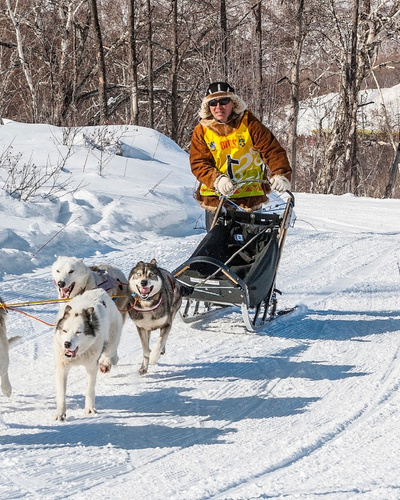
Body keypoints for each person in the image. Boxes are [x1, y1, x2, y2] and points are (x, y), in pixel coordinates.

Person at [190, 81, 292, 230]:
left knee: (252, 247)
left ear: (233, 103)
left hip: (248, 198)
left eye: (224, 101)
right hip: (216, 199)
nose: (219, 107)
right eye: (213, 103)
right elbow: (198, 163)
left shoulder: (249, 123)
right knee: (218, 249)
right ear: (208, 106)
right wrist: (217, 179)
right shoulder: (202, 130)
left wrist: (280, 174)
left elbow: (272, 150)